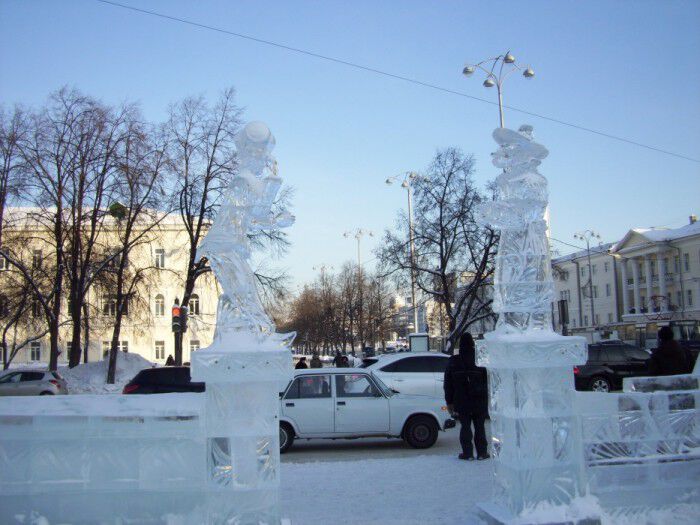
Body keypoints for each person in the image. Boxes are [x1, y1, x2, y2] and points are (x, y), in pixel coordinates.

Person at [444, 332, 489, 461]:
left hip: (461, 400)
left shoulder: (454, 361)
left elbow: (448, 384)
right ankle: (482, 453)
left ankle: (467, 453)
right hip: (479, 400)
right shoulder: (480, 359)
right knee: (480, 426)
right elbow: (488, 380)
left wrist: (449, 401)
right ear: (472, 343)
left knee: (465, 426)